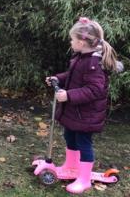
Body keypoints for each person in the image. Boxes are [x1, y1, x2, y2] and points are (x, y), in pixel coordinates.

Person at [45, 17, 123, 194]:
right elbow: (72, 76)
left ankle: (84, 179)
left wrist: (68, 95)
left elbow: (94, 90)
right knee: (69, 136)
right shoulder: (81, 57)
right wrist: (58, 78)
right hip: (75, 112)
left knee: (83, 143)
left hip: (86, 114)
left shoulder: (93, 64)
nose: (70, 42)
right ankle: (71, 166)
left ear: (81, 42)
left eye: (72, 40)